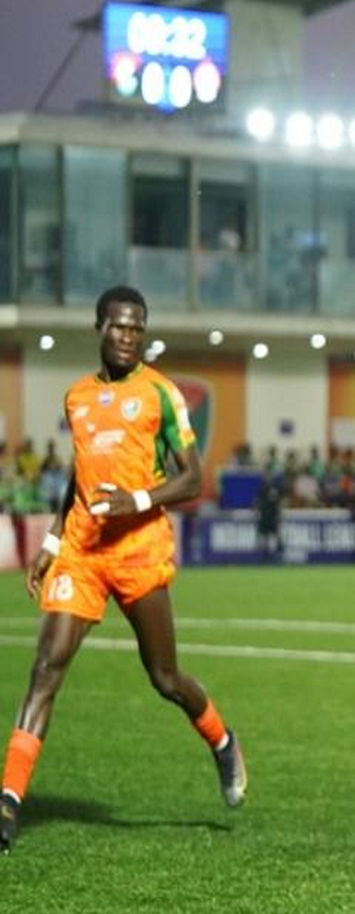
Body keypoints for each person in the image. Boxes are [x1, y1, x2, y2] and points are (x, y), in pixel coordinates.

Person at [1, 286, 247, 854]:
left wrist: (135, 501)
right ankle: (9, 800)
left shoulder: (161, 394)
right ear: (99, 328)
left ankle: (221, 738)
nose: (129, 336)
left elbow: (192, 478)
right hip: (84, 551)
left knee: (164, 678)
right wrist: (55, 538)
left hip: (139, 548)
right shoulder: (77, 398)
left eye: (137, 328)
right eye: (119, 327)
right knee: (45, 667)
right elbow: (80, 479)